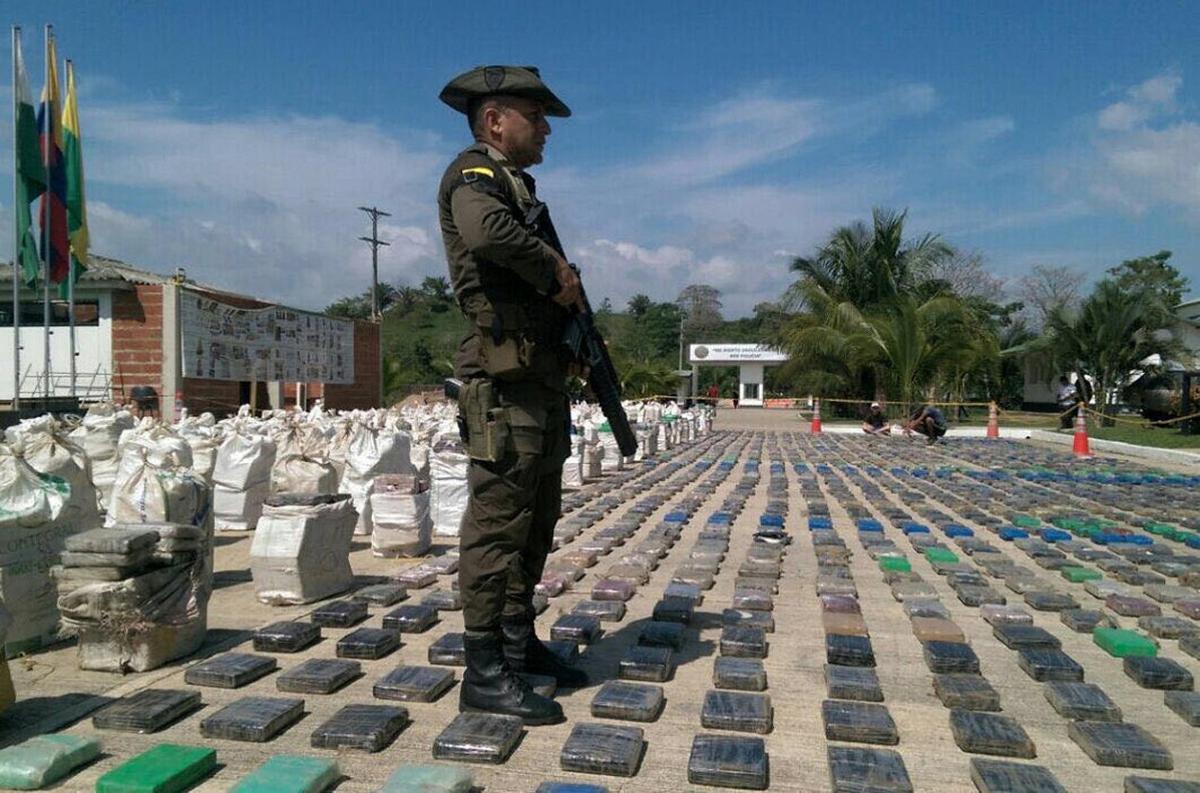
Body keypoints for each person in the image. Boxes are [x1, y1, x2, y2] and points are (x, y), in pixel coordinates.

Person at [436, 65, 585, 726]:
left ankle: (520, 649)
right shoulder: (474, 178)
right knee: (497, 523)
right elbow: (488, 236)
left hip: (538, 381)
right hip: (502, 384)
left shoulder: (518, 188)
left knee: (536, 520)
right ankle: (485, 669)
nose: (547, 127)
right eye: (536, 114)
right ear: (496, 120)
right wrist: (556, 271)